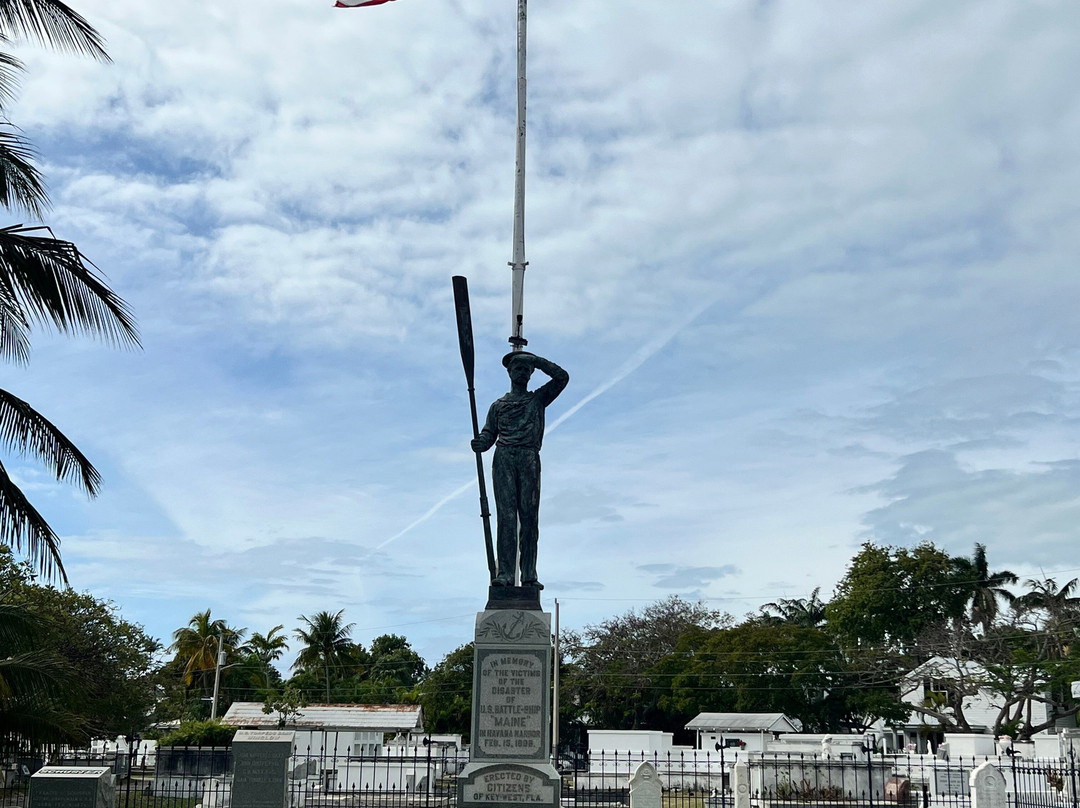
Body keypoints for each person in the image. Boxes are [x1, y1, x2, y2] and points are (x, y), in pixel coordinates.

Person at [471, 351, 569, 588]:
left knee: (528, 518)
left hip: (529, 458)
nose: (522, 373)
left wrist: (535, 360)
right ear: (509, 372)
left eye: (527, 370)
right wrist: (481, 443)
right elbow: (489, 433)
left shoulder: (537, 399)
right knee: (506, 518)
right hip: (504, 457)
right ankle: (504, 573)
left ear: (532, 373)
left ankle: (528, 574)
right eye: (518, 369)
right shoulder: (498, 406)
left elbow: (562, 378)